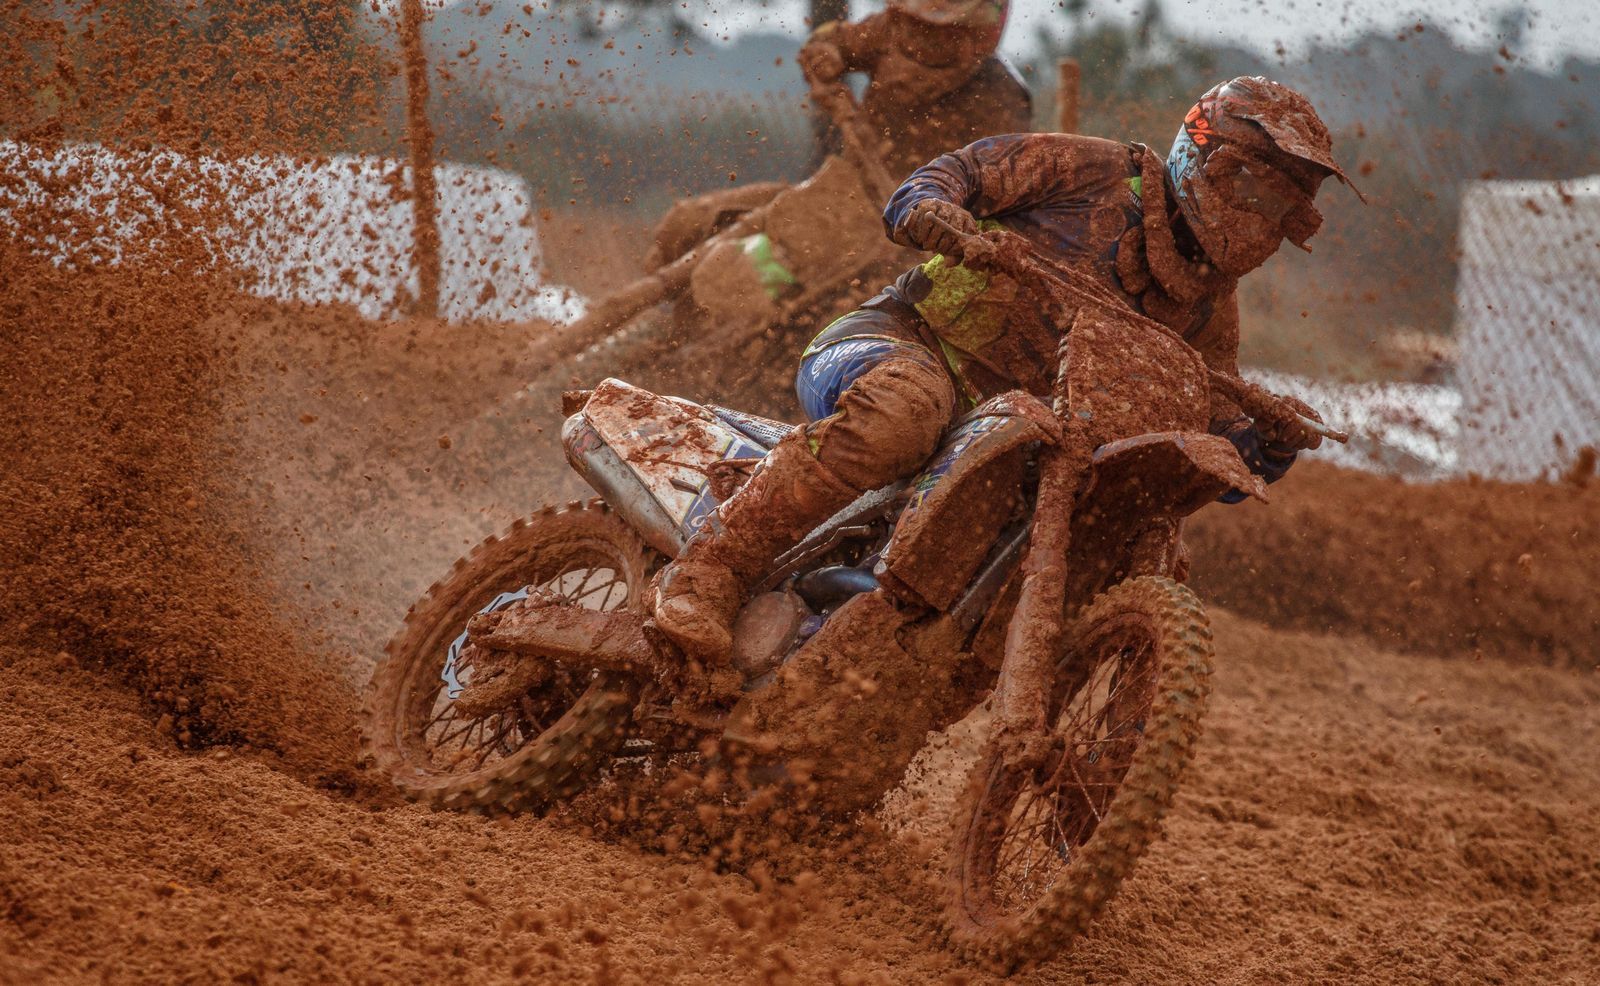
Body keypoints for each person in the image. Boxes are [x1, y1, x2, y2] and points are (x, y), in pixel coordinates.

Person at [653, 76, 1361, 663]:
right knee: (904, 414)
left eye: (1280, 207)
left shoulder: (1209, 304)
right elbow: (951, 173)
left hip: (1015, 434)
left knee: (1131, 529)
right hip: (903, 343)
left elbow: (1203, 406)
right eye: (1252, 187)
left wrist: (1256, 446)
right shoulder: (1097, 172)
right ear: (1203, 154)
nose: (1258, 217)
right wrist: (937, 213)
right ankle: (711, 567)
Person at [645, 0, 1031, 272]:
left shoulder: (1001, 98)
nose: (925, 45)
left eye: (943, 35)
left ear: (977, 35)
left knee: (774, 279)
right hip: (840, 191)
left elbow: (996, 202)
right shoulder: (883, 32)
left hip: (908, 242)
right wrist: (827, 55)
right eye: (918, 29)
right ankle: (666, 323)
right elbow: (832, 40)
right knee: (687, 223)